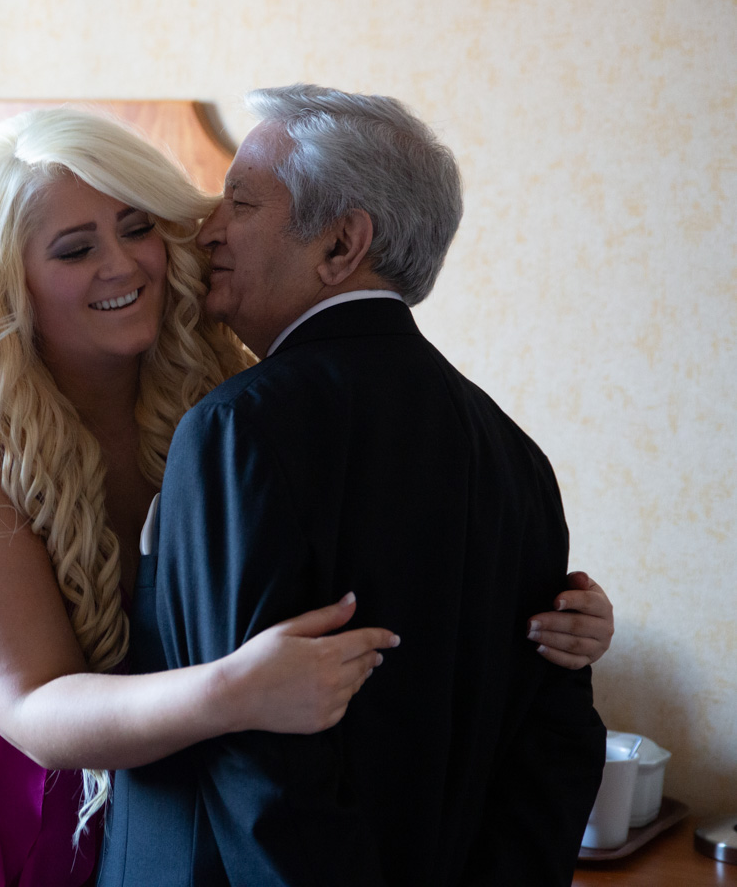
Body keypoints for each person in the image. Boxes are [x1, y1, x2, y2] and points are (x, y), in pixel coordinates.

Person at [0, 106, 613, 887]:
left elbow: (382, 575)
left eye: (138, 228)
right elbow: (33, 710)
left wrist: (548, 620)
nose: (122, 263)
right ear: (7, 281)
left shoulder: (218, 402)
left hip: (130, 800)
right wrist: (233, 691)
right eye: (75, 249)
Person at [98, 86, 609, 887]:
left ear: (341, 244)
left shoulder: (239, 428)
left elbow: (257, 763)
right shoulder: (517, 458)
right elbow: (554, 748)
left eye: (241, 202)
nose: (208, 231)